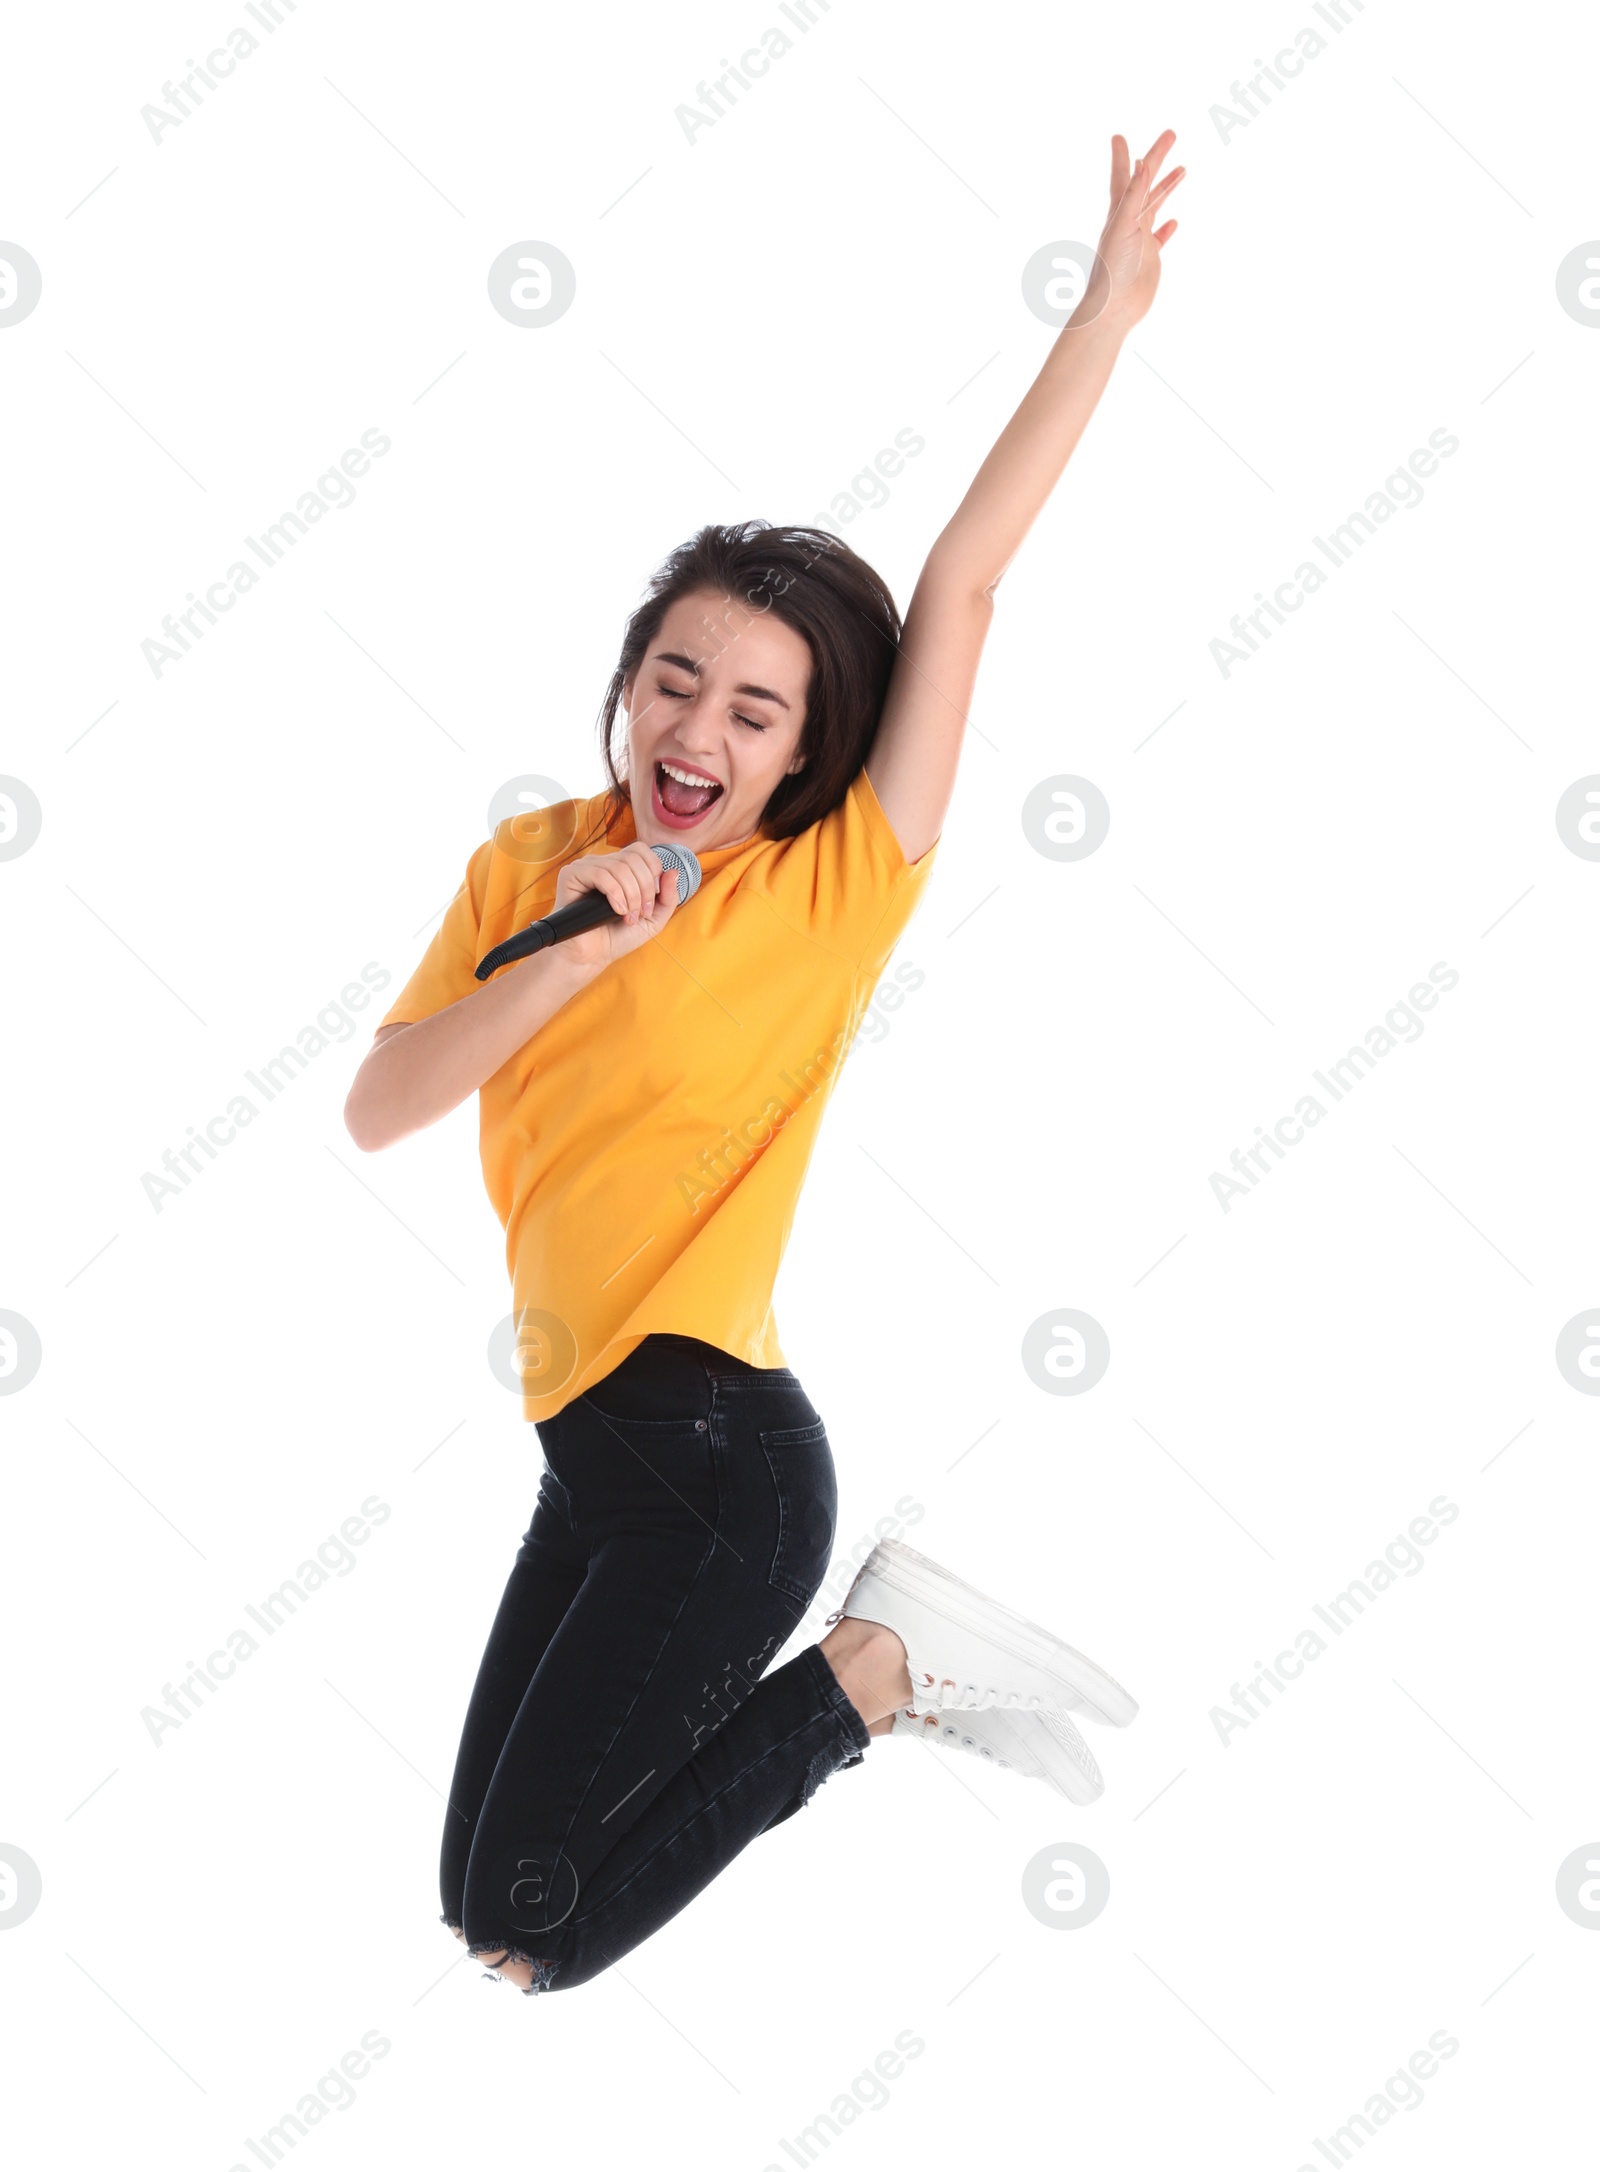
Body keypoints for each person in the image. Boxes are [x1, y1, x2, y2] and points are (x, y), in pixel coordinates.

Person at [344, 131, 1183, 1996]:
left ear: (805, 747)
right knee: (489, 1919)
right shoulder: (533, 866)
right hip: (594, 1456)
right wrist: (576, 950)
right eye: (673, 680)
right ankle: (878, 1677)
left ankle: (879, 1669)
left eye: (753, 706)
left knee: (539, 1927)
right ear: (628, 677)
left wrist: (1103, 315)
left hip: (716, 1449)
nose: (695, 728)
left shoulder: (830, 888)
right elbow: (383, 1104)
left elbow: (960, 583)